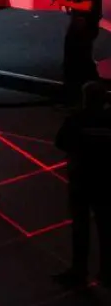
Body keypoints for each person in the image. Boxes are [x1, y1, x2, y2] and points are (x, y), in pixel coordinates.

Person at [54, 82, 111, 288]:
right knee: (106, 227)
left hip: (80, 180)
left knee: (80, 227)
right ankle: (107, 271)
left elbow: (60, 142)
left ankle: (79, 271)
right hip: (105, 181)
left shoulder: (76, 120)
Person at [59, 0, 104, 95]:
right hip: (79, 22)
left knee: (80, 59)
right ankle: (83, 94)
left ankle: (86, 94)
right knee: (77, 58)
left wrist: (67, 3)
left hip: (84, 24)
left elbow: (87, 5)